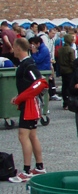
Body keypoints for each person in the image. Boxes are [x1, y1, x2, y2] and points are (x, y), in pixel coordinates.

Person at [8, 37, 47, 183]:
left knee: (23, 135)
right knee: (31, 136)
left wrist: (21, 97)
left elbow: (40, 82)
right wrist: (20, 96)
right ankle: (39, 166)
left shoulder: (27, 65)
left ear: (18, 48)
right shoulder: (25, 64)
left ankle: (26, 170)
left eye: (13, 46)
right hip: (29, 103)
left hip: (30, 105)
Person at [57, 34, 77, 110]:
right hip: (69, 70)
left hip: (63, 70)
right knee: (70, 87)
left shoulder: (60, 49)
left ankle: (65, 103)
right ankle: (69, 103)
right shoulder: (70, 50)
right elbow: (72, 62)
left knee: (64, 87)